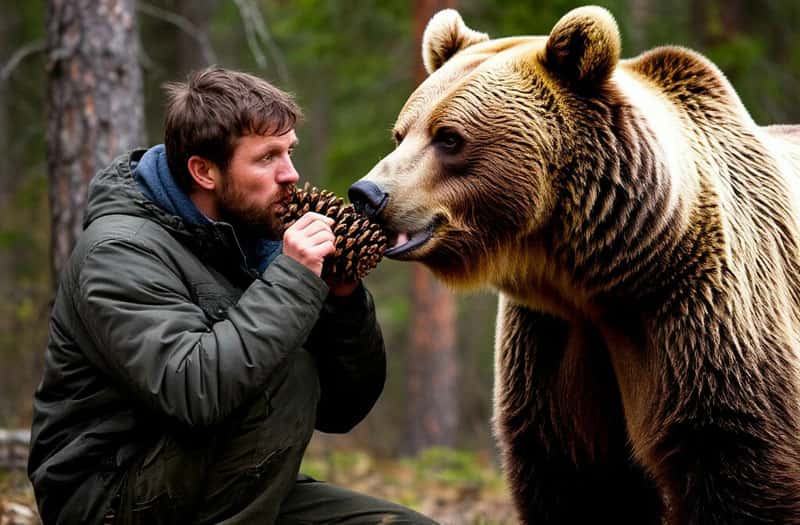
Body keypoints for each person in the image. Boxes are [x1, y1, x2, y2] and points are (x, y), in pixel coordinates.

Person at [28, 67, 437, 525]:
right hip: (108, 495)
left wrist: (341, 298)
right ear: (204, 171)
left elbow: (343, 410)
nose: (291, 175)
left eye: (289, 152)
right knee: (287, 371)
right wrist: (294, 277)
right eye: (267, 158)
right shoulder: (119, 250)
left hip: (218, 479)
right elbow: (192, 392)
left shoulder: (252, 238)